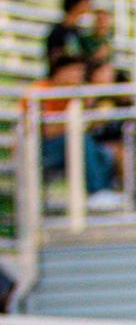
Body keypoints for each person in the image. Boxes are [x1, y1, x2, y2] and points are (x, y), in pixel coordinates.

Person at [25, 55, 121, 209]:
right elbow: (44, 131)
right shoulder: (40, 91)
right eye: (75, 71)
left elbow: (87, 126)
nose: (79, 76)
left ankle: (106, 191)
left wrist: (88, 108)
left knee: (106, 152)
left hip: (65, 145)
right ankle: (97, 191)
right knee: (80, 139)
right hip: (38, 149)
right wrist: (76, 118)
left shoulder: (74, 93)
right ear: (61, 72)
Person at [46, 0, 101, 69]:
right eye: (86, 1)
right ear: (76, 4)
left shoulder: (78, 31)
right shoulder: (59, 31)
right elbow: (55, 59)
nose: (90, 5)